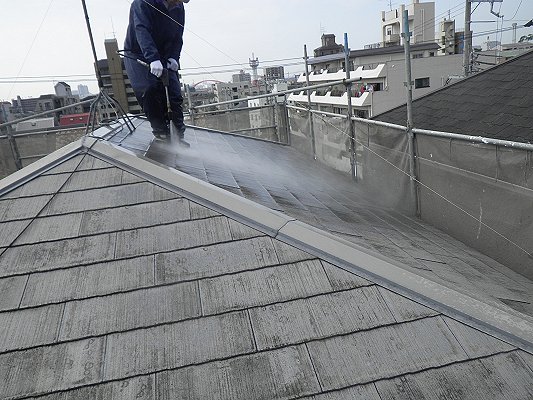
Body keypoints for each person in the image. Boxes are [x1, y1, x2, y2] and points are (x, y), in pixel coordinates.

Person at [124, 0, 190, 146]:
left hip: (164, 54)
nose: (178, 3)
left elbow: (178, 35)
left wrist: (174, 56)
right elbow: (142, 30)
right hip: (138, 53)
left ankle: (178, 135)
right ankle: (161, 134)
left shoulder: (178, 7)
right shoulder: (143, 2)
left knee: (174, 94)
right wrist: (152, 58)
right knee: (149, 89)